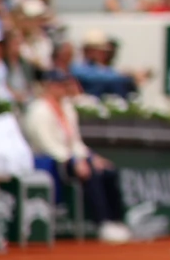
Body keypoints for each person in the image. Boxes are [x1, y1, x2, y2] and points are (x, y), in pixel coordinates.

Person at [20, 70, 132, 242]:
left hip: (70, 157)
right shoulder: (38, 110)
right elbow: (47, 144)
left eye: (64, 85)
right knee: (91, 174)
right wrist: (74, 160)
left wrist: (90, 156)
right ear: (48, 86)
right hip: (50, 160)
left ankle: (116, 220)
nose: (62, 89)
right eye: (58, 85)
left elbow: (75, 142)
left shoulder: (67, 107)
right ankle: (103, 224)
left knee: (109, 171)